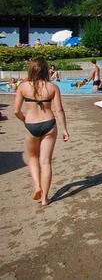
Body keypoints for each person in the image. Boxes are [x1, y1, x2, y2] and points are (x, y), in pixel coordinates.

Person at [13, 57, 69, 207]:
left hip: (31, 124)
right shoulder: (52, 87)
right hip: (49, 124)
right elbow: (59, 110)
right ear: (46, 70)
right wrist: (65, 130)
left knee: (32, 157)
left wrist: (25, 120)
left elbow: (16, 111)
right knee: (46, 162)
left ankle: (37, 186)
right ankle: (45, 198)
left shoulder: (23, 87)